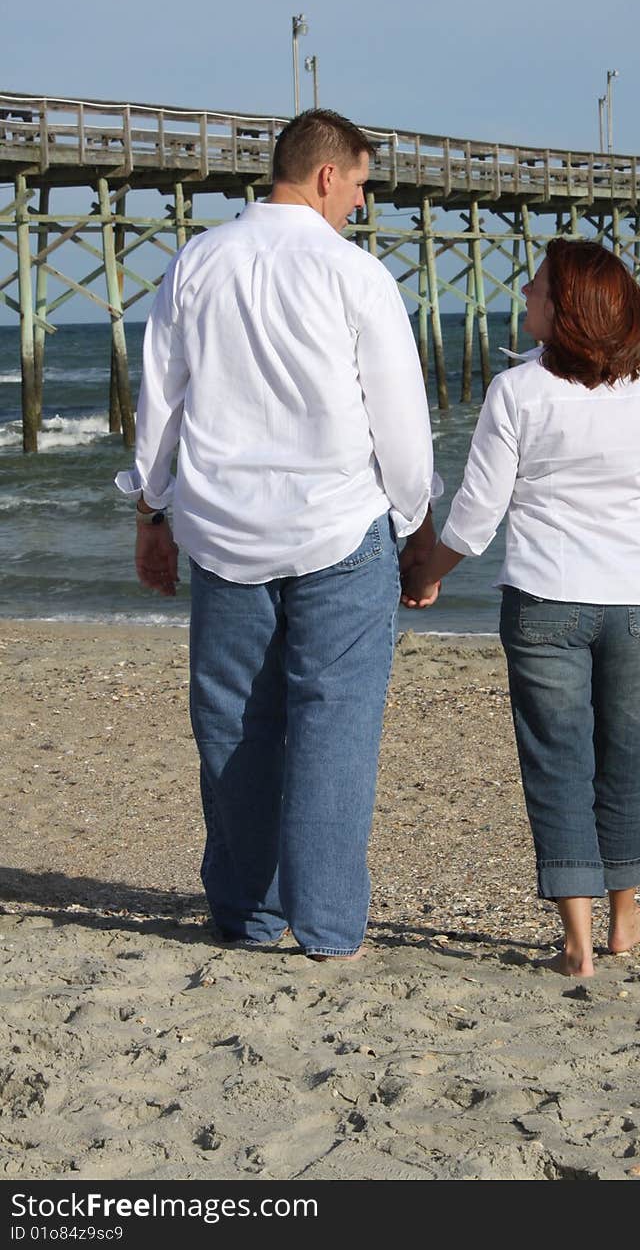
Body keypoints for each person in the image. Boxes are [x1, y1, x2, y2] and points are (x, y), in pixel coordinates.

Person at [116, 109, 437, 960]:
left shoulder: (197, 262)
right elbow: (400, 424)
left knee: (232, 725)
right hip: (340, 530)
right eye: (362, 186)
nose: (362, 205)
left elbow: (160, 405)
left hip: (222, 533)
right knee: (336, 724)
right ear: (327, 175)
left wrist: (153, 513)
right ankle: (328, 928)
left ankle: (249, 918)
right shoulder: (355, 274)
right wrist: (415, 523)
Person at [403, 239, 640, 978]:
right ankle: (624, 919)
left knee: (556, 765)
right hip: (637, 604)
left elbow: (478, 513)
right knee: (625, 759)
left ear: (567, 307)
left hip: (545, 599)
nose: (523, 294)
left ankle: (577, 946)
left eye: (537, 288)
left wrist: (430, 572)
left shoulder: (516, 391)